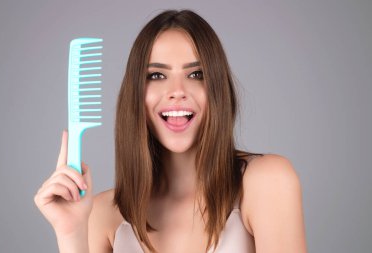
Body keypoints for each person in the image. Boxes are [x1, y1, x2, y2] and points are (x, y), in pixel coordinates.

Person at [34, 9, 307, 253]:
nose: (177, 91)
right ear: (136, 96)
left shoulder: (267, 182)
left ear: (218, 90)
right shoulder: (102, 215)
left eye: (196, 74)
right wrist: (70, 234)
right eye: (156, 75)